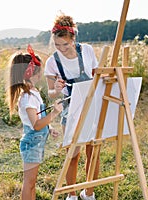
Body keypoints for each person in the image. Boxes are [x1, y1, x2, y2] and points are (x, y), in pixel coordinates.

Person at [44, 13, 99, 200]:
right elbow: (51, 93)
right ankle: (72, 194)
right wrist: (56, 89)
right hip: (71, 109)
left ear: (73, 38)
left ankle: (89, 193)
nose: (61, 49)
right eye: (57, 45)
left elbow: (96, 76)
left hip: (91, 106)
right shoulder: (52, 62)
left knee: (93, 152)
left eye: (65, 45)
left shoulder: (88, 51)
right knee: (73, 154)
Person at [6, 44, 63, 200]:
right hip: (32, 143)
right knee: (29, 183)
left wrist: (49, 128)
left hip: (36, 142)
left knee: (32, 182)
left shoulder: (34, 93)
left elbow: (38, 119)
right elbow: (36, 125)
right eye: (40, 71)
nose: (42, 74)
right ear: (32, 74)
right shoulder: (27, 97)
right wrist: (55, 113)